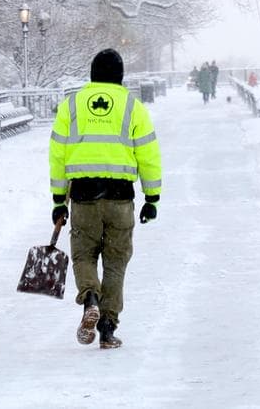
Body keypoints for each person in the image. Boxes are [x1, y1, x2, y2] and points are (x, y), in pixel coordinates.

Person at [49, 48, 162, 350]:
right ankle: (108, 329)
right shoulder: (133, 106)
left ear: (92, 74)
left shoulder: (71, 105)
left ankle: (90, 298)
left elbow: (58, 155)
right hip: (120, 198)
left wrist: (59, 200)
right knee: (115, 262)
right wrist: (152, 198)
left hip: (83, 197)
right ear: (120, 76)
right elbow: (148, 154)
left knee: (83, 255)